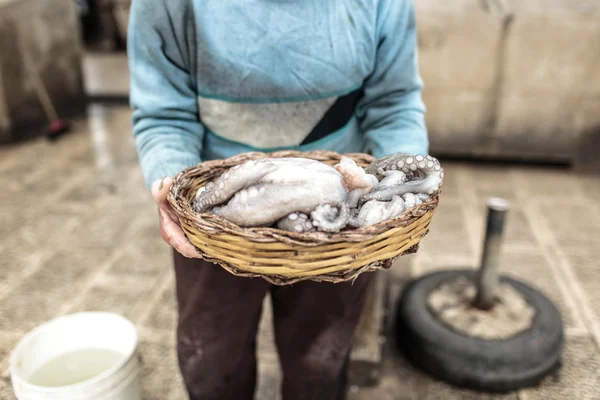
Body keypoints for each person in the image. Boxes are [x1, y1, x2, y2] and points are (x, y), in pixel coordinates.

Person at [128, 0, 428, 399]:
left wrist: (398, 192)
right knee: (212, 359)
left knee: (320, 360)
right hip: (213, 222)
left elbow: (394, 104)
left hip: (339, 225)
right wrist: (177, 186)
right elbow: (164, 114)